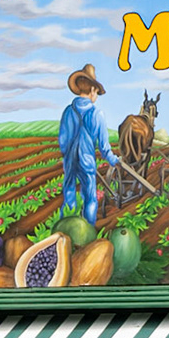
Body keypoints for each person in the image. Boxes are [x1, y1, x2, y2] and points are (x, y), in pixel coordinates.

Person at [58, 63, 118, 227]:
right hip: (87, 161)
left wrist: (68, 154)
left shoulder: (68, 111)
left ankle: (65, 230)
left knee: (69, 193)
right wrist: (114, 160)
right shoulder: (97, 114)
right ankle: (87, 231)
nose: (96, 96)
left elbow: (62, 141)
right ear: (92, 90)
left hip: (70, 160)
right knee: (89, 197)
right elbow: (104, 147)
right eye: (97, 92)